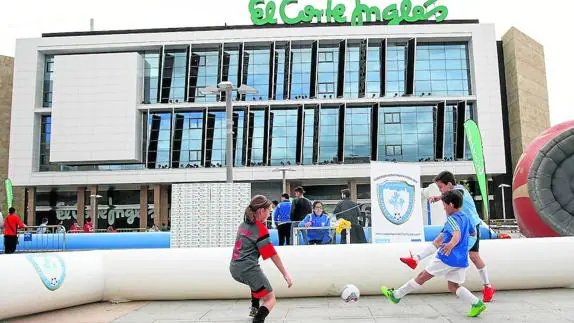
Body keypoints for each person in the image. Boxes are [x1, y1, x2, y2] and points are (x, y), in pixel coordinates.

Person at [381, 190, 486, 318]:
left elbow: (457, 234)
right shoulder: (465, 217)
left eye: (444, 205)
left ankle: (396, 295)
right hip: (461, 260)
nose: (443, 208)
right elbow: (473, 233)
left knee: (422, 276)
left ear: (451, 204)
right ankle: (477, 303)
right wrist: (456, 241)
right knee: (453, 286)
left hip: (446, 257)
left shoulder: (452, 219)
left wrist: (451, 244)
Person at [399, 171, 496, 302]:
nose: (440, 190)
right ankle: (415, 259)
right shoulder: (452, 195)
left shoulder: (460, 190)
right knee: (441, 241)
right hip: (458, 225)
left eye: (441, 187)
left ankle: (486, 287)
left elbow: (456, 195)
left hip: (468, 227)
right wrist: (440, 197)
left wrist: (440, 197)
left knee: (471, 256)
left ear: (449, 184)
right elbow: (450, 195)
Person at [230, 195, 292, 323]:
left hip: (234, 268)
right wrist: (285, 273)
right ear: (261, 211)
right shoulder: (260, 230)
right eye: (269, 211)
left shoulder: (243, 225)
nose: (270, 214)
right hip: (248, 268)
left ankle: (254, 306)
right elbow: (272, 254)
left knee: (257, 284)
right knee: (270, 299)